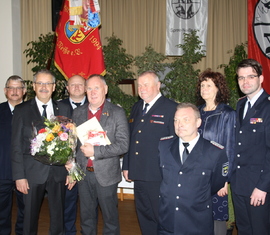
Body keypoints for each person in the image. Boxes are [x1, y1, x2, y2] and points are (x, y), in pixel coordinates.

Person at [11, 69, 72, 235]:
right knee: (29, 217)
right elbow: (16, 145)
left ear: (54, 87)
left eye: (48, 83)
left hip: (58, 172)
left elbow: (72, 141)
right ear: (33, 86)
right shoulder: (22, 110)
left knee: (58, 216)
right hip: (31, 174)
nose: (44, 87)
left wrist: (72, 171)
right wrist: (19, 176)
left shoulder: (64, 109)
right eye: (40, 83)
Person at [158, 103, 228, 235]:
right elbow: (163, 177)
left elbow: (215, 184)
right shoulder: (164, 146)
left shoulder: (214, 152)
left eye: (186, 119)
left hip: (196, 222)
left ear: (198, 122)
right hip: (168, 221)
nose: (180, 124)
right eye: (176, 120)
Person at [72, 74, 129, 235]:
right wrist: (70, 162)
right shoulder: (78, 113)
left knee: (110, 220)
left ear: (105, 90)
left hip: (106, 176)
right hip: (84, 175)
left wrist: (95, 152)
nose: (93, 92)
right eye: (89, 88)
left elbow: (123, 145)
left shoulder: (117, 112)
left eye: (97, 88)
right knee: (86, 218)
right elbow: (73, 144)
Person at [122, 71, 177, 235]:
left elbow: (174, 145)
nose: (142, 88)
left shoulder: (171, 108)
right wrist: (127, 165)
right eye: (139, 85)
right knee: (144, 215)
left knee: (161, 216)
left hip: (158, 175)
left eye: (146, 84)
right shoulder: (137, 107)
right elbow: (131, 139)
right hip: (138, 172)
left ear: (158, 86)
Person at [230, 59, 270, 234]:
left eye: (250, 77)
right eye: (241, 78)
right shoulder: (240, 105)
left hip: (259, 186)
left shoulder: (268, 107)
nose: (245, 82)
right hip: (240, 183)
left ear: (261, 78)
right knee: (244, 229)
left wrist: (263, 186)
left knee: (260, 230)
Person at [196, 69, 236, 235]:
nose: (204, 88)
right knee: (198, 216)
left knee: (217, 221)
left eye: (209, 85)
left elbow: (231, 148)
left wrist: (224, 180)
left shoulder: (227, 113)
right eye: (202, 85)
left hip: (216, 175)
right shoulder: (196, 112)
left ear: (218, 88)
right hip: (197, 173)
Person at [61, 74, 88, 235]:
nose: (77, 87)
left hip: (89, 164)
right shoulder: (58, 107)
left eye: (80, 84)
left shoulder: (95, 105)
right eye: (73, 85)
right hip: (64, 165)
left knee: (89, 204)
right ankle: (68, 231)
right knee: (67, 203)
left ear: (85, 88)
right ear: (67, 88)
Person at [0, 75, 26, 235]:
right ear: (5, 91)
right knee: (2, 213)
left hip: (25, 173)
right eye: (11, 88)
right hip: (2, 171)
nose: (14, 91)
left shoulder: (33, 111)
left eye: (18, 88)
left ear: (24, 91)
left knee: (26, 211)